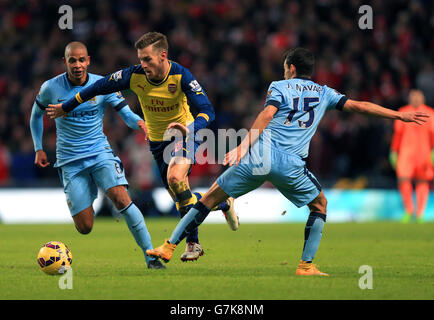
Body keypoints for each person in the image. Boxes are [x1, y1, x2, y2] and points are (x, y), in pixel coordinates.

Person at [145, 47, 430, 276]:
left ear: (291, 68)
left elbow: (268, 115)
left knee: (207, 200)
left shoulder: (279, 87)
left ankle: (168, 246)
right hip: (291, 165)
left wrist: (243, 146)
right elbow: (359, 106)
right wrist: (398, 115)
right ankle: (306, 265)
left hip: (259, 157)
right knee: (319, 205)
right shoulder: (325, 92)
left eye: (285, 67)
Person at [46, 32, 238, 262]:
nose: (142, 64)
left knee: (176, 179)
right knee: (181, 197)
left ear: (163, 56)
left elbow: (208, 111)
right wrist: (66, 106)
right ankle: (219, 204)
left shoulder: (181, 76)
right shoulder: (133, 76)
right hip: (158, 143)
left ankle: (193, 243)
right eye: (140, 59)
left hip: (185, 134)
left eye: (147, 59)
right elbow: (96, 88)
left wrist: (192, 129)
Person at [30, 41, 165, 269]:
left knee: (122, 199)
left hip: (99, 153)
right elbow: (35, 116)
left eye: (82, 60)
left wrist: (142, 124)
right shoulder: (51, 88)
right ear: (65, 62)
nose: (77, 65)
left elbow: (126, 114)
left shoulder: (103, 85)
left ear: (88, 60)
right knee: (85, 227)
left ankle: (151, 256)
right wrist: (38, 148)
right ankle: (87, 193)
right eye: (72, 60)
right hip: (70, 161)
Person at [389, 90, 434, 223]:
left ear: (423, 98)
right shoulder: (403, 112)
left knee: (422, 181)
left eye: (418, 96)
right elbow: (397, 134)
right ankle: (409, 210)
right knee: (403, 180)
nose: (415, 99)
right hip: (406, 152)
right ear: (409, 98)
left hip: (424, 152)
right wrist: (394, 150)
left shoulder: (430, 113)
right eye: (413, 96)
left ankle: (420, 213)